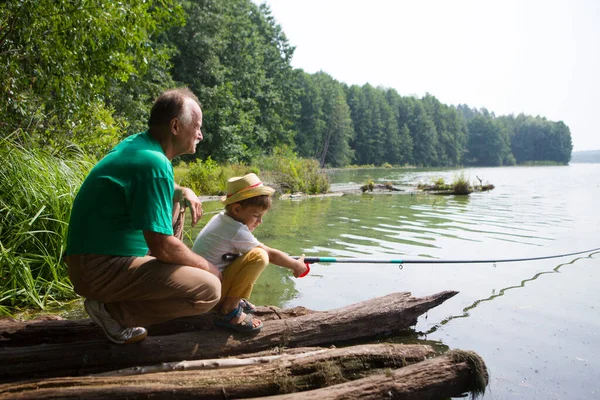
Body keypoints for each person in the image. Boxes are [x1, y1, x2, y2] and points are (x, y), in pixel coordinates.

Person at [65, 88, 222, 345]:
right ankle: (114, 313)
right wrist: (211, 268)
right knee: (208, 290)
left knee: (175, 203)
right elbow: (162, 248)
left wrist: (183, 191)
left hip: (90, 261)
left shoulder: (140, 146)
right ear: (175, 126)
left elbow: (142, 189)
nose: (200, 134)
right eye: (196, 126)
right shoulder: (154, 163)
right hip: (97, 270)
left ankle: (139, 296)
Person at [192, 173, 308, 333]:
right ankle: (228, 311)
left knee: (245, 254)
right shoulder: (236, 230)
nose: (260, 222)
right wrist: (295, 265)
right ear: (237, 209)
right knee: (259, 256)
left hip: (202, 287)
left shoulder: (221, 219)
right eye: (256, 216)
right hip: (209, 294)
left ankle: (232, 300)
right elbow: (270, 254)